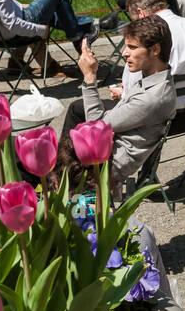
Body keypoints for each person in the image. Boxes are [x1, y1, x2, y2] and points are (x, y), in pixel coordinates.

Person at [58, 14, 177, 195]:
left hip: (102, 167)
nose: (124, 53)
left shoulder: (151, 98)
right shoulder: (155, 78)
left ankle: (64, 184)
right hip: (107, 151)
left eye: (132, 47)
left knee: (20, 158)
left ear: (155, 50)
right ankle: (62, 176)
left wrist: (90, 77)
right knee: (77, 109)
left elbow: (95, 126)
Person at [121, 0, 185, 133]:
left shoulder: (148, 37)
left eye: (134, 21)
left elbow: (130, 93)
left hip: (161, 119)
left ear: (141, 12)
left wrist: (121, 92)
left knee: (82, 111)